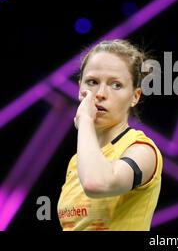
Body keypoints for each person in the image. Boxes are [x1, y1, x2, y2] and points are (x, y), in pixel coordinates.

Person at [57, 39, 162, 231]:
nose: (100, 93)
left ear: (135, 96)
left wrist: (86, 121)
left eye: (116, 85)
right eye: (92, 82)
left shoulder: (142, 150)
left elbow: (97, 184)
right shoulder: (77, 162)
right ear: (80, 88)